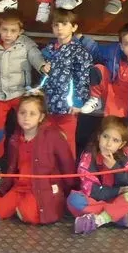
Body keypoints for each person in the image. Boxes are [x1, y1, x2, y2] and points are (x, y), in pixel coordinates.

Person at [0, 94, 76, 225]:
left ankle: (21, 206)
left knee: (30, 216)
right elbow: (12, 167)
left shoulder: (54, 136)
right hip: (20, 186)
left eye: (32, 114)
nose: (26, 118)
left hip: (42, 188)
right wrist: (6, 187)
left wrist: (70, 190)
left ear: (41, 117)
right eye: (22, 113)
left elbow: (67, 164)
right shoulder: (15, 138)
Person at [0, 10, 46, 166]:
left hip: (19, 93)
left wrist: (42, 66)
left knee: (28, 123)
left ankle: (29, 158)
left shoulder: (26, 44)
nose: (8, 34)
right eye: (4, 30)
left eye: (13, 30)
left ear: (20, 31)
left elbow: (36, 56)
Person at [67, 116, 128, 234]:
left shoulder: (127, 156)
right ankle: (116, 215)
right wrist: (118, 191)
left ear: (122, 144)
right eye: (105, 137)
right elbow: (90, 190)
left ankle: (98, 220)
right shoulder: (88, 156)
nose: (108, 144)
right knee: (73, 200)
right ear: (99, 136)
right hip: (95, 200)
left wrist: (115, 167)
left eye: (115, 140)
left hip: (117, 199)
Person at [37, 8, 93, 155]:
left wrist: (78, 101)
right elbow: (43, 77)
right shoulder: (48, 50)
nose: (59, 28)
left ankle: (67, 177)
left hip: (67, 107)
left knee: (66, 143)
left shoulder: (80, 52)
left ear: (74, 27)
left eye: (64, 24)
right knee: (45, 141)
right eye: (56, 25)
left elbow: (83, 78)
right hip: (47, 105)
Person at [80, 23, 128, 121]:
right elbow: (96, 50)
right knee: (98, 68)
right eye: (127, 44)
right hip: (112, 91)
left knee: (119, 125)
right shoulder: (113, 52)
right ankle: (95, 99)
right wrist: (81, 38)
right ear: (121, 46)